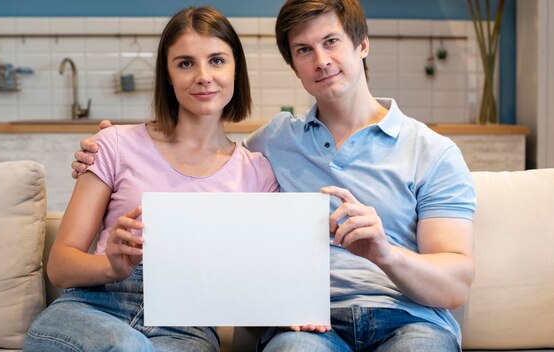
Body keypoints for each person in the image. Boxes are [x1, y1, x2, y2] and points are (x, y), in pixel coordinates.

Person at [72, 0, 476, 351]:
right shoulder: (270, 146)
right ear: (294, 66)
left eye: (331, 41)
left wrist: (385, 253)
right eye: (304, 50)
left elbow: (455, 286)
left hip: (408, 321)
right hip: (308, 326)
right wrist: (110, 150)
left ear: (362, 43)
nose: (321, 60)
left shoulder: (432, 152)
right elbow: (206, 166)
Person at [25, 6, 278, 352]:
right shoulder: (114, 143)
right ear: (168, 75)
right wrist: (113, 266)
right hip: (92, 309)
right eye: (185, 63)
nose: (204, 75)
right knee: (124, 345)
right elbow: (60, 266)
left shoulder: (258, 173)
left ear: (237, 69)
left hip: (187, 328)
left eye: (217, 60)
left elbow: (261, 286)